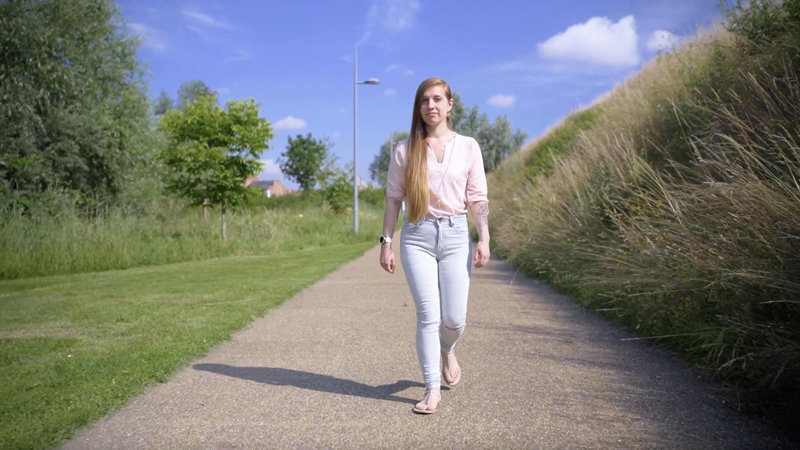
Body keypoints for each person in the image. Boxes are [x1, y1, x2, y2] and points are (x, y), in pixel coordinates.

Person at [379, 77, 490, 414]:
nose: (431, 106)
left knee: (454, 319)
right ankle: (431, 388)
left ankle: (447, 349)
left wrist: (484, 237)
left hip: (456, 236)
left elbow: (478, 197)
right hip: (417, 236)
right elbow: (393, 198)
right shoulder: (405, 150)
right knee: (428, 315)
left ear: (449, 105)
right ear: (418, 107)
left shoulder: (468, 146)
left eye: (438, 99)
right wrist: (386, 242)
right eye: (425, 100)